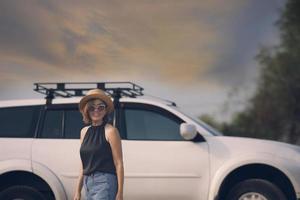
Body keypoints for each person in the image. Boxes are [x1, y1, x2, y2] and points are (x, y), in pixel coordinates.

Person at [74, 88, 124, 200]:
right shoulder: (84, 132)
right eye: (92, 107)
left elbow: (118, 163)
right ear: (87, 110)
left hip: (105, 182)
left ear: (105, 110)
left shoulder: (111, 131)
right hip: (88, 184)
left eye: (100, 107)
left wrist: (120, 192)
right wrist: (77, 191)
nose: (96, 110)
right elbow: (83, 164)